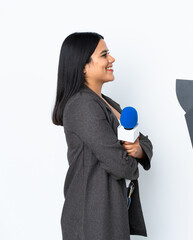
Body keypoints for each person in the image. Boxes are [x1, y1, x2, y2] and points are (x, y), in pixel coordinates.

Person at [52, 32, 153, 240]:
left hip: (110, 214)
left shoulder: (108, 103)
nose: (112, 59)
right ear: (83, 66)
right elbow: (121, 165)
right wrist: (131, 159)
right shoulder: (82, 105)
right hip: (90, 219)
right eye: (104, 54)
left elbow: (143, 141)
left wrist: (139, 150)